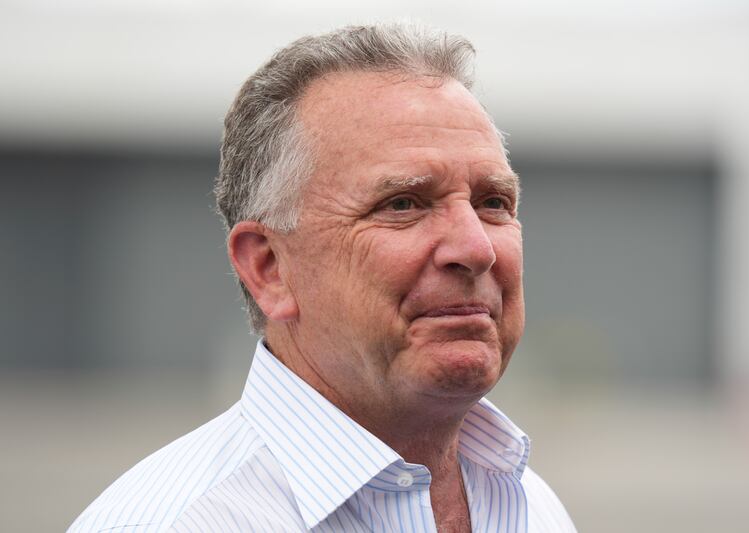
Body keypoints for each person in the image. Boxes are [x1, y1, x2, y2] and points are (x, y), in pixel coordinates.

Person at [68, 23, 576, 533]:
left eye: (493, 203)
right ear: (269, 268)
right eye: (402, 204)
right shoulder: (176, 523)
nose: (477, 248)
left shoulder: (531, 506)